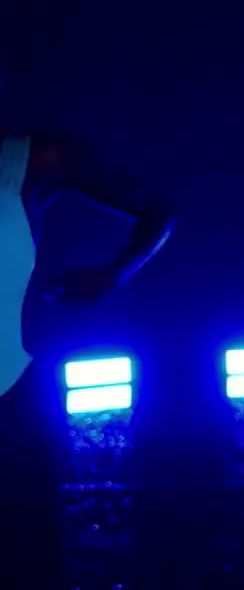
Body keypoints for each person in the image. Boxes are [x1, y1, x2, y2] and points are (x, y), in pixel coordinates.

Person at [0, 109, 174, 584]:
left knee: (28, 562)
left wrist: (112, 276)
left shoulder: (36, 160)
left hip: (7, 401)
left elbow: (158, 212)